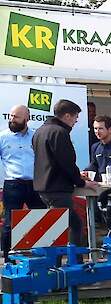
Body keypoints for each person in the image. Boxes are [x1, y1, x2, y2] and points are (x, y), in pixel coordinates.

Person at [32, 99, 99, 245]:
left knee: (56, 228)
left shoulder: (40, 131)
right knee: (73, 225)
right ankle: (73, 261)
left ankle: (58, 261)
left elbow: (51, 160)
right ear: (67, 116)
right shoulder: (59, 132)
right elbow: (66, 162)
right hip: (57, 189)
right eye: (75, 117)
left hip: (43, 188)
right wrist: (81, 182)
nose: (76, 121)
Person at [0, 104, 45, 257]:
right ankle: (7, 259)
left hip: (36, 184)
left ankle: (42, 257)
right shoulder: (2, 137)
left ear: (27, 119)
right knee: (9, 224)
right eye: (11, 116)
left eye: (16, 117)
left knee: (41, 221)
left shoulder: (36, 136)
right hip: (13, 185)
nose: (12, 120)